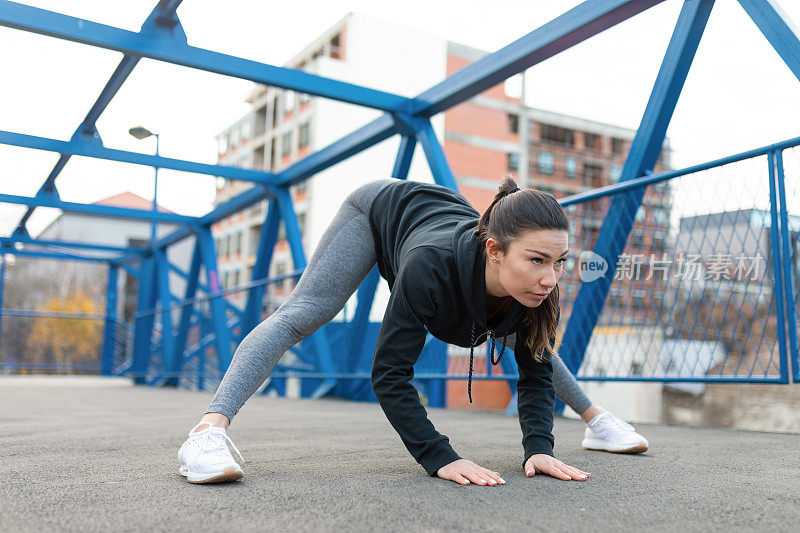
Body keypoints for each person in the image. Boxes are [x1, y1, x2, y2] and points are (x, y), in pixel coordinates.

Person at [178, 176, 648, 485]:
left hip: (450, 237)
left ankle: (597, 423)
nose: (552, 277)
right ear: (495, 250)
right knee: (306, 312)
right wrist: (439, 456)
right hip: (377, 212)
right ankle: (207, 432)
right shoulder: (430, 269)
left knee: (530, 334)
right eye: (538, 260)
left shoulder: (539, 286)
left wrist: (539, 447)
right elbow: (389, 374)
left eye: (559, 261)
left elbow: (535, 369)